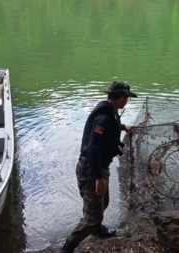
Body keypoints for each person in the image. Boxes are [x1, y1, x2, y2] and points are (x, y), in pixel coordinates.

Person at [62, 81, 137, 253]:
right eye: (126, 98)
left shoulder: (110, 111)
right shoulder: (103, 118)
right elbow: (92, 150)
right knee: (93, 217)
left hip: (100, 167)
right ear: (121, 98)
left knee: (103, 203)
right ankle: (69, 246)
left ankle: (96, 229)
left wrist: (123, 126)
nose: (127, 101)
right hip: (91, 170)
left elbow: (111, 127)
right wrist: (98, 179)